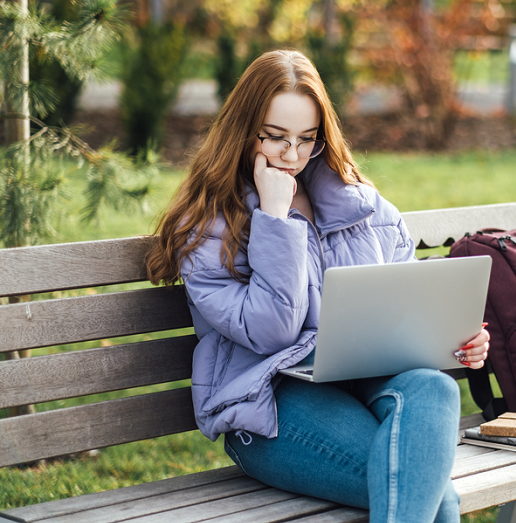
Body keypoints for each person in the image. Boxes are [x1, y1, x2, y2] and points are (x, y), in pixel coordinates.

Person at [146, 49, 490, 523]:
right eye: (275, 138)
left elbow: (411, 297)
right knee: (435, 498)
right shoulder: (207, 226)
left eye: (307, 139)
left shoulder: (362, 206)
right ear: (244, 131)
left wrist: (456, 339)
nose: (292, 156)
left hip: (362, 383)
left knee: (436, 389)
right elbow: (273, 333)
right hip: (270, 406)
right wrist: (273, 216)